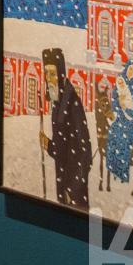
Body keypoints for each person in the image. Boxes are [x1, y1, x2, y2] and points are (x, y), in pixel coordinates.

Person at [37, 47, 91, 208]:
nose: (49, 79)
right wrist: (49, 145)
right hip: (63, 185)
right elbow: (62, 148)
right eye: (46, 73)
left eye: (52, 74)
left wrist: (73, 189)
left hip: (74, 192)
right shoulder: (57, 103)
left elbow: (85, 152)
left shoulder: (72, 102)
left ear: (61, 74)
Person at [104, 62, 133, 195]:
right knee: (112, 136)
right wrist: (118, 105)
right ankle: (113, 168)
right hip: (119, 119)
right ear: (126, 69)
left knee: (123, 142)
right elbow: (114, 102)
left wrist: (126, 108)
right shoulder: (120, 83)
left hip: (130, 124)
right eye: (130, 69)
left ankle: (122, 173)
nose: (131, 72)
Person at [93, 84, 114, 191]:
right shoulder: (98, 108)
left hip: (106, 131)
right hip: (101, 131)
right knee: (102, 158)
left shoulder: (105, 103)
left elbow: (110, 114)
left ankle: (108, 183)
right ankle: (101, 181)